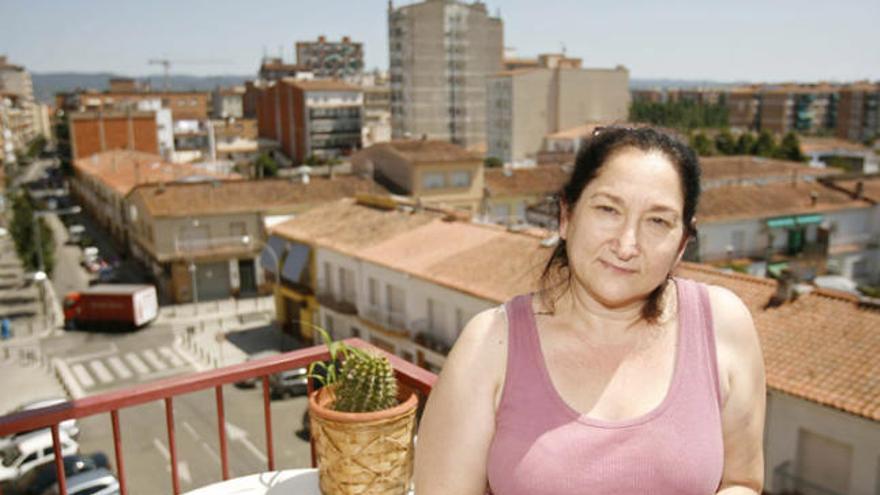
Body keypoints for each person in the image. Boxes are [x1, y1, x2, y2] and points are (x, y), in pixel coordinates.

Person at [414, 127, 766, 494]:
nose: (627, 245)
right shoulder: (489, 345)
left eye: (658, 221)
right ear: (566, 217)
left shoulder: (723, 325)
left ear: (681, 246)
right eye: (608, 209)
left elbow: (742, 481)